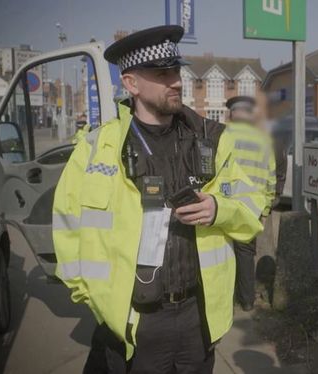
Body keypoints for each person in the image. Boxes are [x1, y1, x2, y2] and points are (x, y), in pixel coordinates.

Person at [52, 25, 267, 374]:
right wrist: (99, 304)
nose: (177, 81)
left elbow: (252, 209)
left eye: (176, 71)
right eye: (162, 73)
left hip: (198, 319)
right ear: (131, 84)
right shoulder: (97, 149)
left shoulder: (212, 141)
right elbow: (66, 227)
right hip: (136, 320)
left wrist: (219, 210)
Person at [224, 95, 277, 311]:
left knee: (224, 253)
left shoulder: (224, 135)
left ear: (233, 113)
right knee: (246, 255)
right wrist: (264, 209)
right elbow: (270, 178)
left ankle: (226, 302)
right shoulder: (264, 139)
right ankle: (246, 301)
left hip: (227, 205)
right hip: (252, 208)